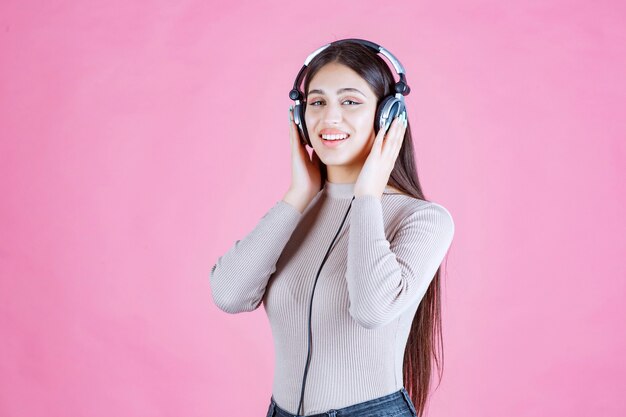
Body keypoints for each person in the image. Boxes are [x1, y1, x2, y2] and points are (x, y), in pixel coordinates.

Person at [210, 39, 455, 417]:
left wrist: (368, 195)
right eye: (317, 102)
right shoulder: (296, 213)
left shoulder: (423, 219)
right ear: (299, 117)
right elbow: (229, 294)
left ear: (387, 116)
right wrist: (298, 194)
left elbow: (372, 310)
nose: (330, 118)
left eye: (351, 101)